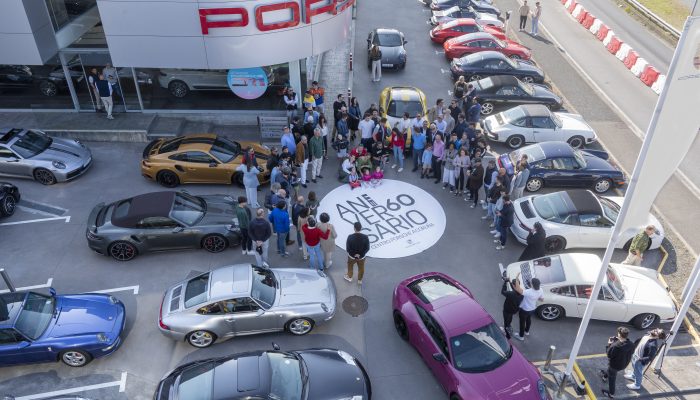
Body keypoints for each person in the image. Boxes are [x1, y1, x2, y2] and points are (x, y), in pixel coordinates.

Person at [600, 327, 635, 398]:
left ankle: (611, 394)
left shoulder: (615, 346)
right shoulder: (631, 344)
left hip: (614, 365)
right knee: (610, 371)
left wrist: (609, 344)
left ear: (619, 334)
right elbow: (631, 352)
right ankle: (605, 377)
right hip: (624, 364)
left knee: (612, 378)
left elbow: (609, 355)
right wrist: (618, 340)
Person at [501, 273, 524, 340]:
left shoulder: (510, 294)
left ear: (514, 285)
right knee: (510, 317)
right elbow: (515, 288)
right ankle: (509, 325)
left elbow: (503, 292)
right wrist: (510, 282)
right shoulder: (522, 292)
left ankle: (507, 334)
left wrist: (505, 282)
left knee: (505, 320)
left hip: (507, 310)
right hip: (514, 310)